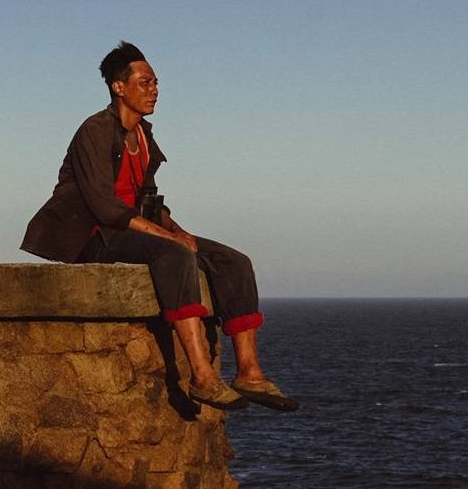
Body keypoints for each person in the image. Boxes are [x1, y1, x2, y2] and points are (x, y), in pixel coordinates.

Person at [21, 42, 297, 412]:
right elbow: (105, 207)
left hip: (133, 228)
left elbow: (150, 201)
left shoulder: (144, 137)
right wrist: (170, 239)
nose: (154, 90)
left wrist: (177, 230)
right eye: (145, 82)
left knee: (234, 261)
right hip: (91, 234)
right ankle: (202, 377)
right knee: (175, 254)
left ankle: (249, 372)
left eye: (156, 83)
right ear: (119, 87)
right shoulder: (95, 130)